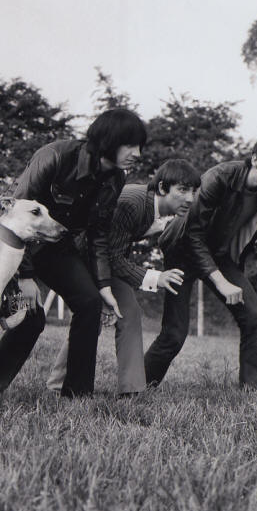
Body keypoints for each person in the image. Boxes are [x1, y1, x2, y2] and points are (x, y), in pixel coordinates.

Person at [0, 109, 147, 398]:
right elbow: (14, 217)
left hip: (58, 247)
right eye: (131, 145)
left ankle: (77, 396)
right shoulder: (54, 156)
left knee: (90, 302)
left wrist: (105, 285)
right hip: (13, 248)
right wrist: (25, 275)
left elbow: (98, 234)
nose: (138, 153)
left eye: (140, 146)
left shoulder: (116, 178)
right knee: (30, 318)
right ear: (109, 140)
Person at [145, 133, 257, 390]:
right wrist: (220, 282)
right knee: (174, 333)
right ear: (255, 160)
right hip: (183, 249)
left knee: (255, 319)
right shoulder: (219, 177)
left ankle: (253, 394)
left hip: (221, 255)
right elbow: (193, 234)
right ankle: (138, 385)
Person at [47, 159, 201, 396]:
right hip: (81, 256)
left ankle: (131, 391)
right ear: (162, 188)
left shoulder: (162, 210)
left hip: (106, 260)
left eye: (193, 191)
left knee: (129, 312)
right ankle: (58, 386)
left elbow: (115, 252)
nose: (190, 198)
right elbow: (109, 255)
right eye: (182, 190)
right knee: (90, 316)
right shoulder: (131, 203)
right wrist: (155, 277)